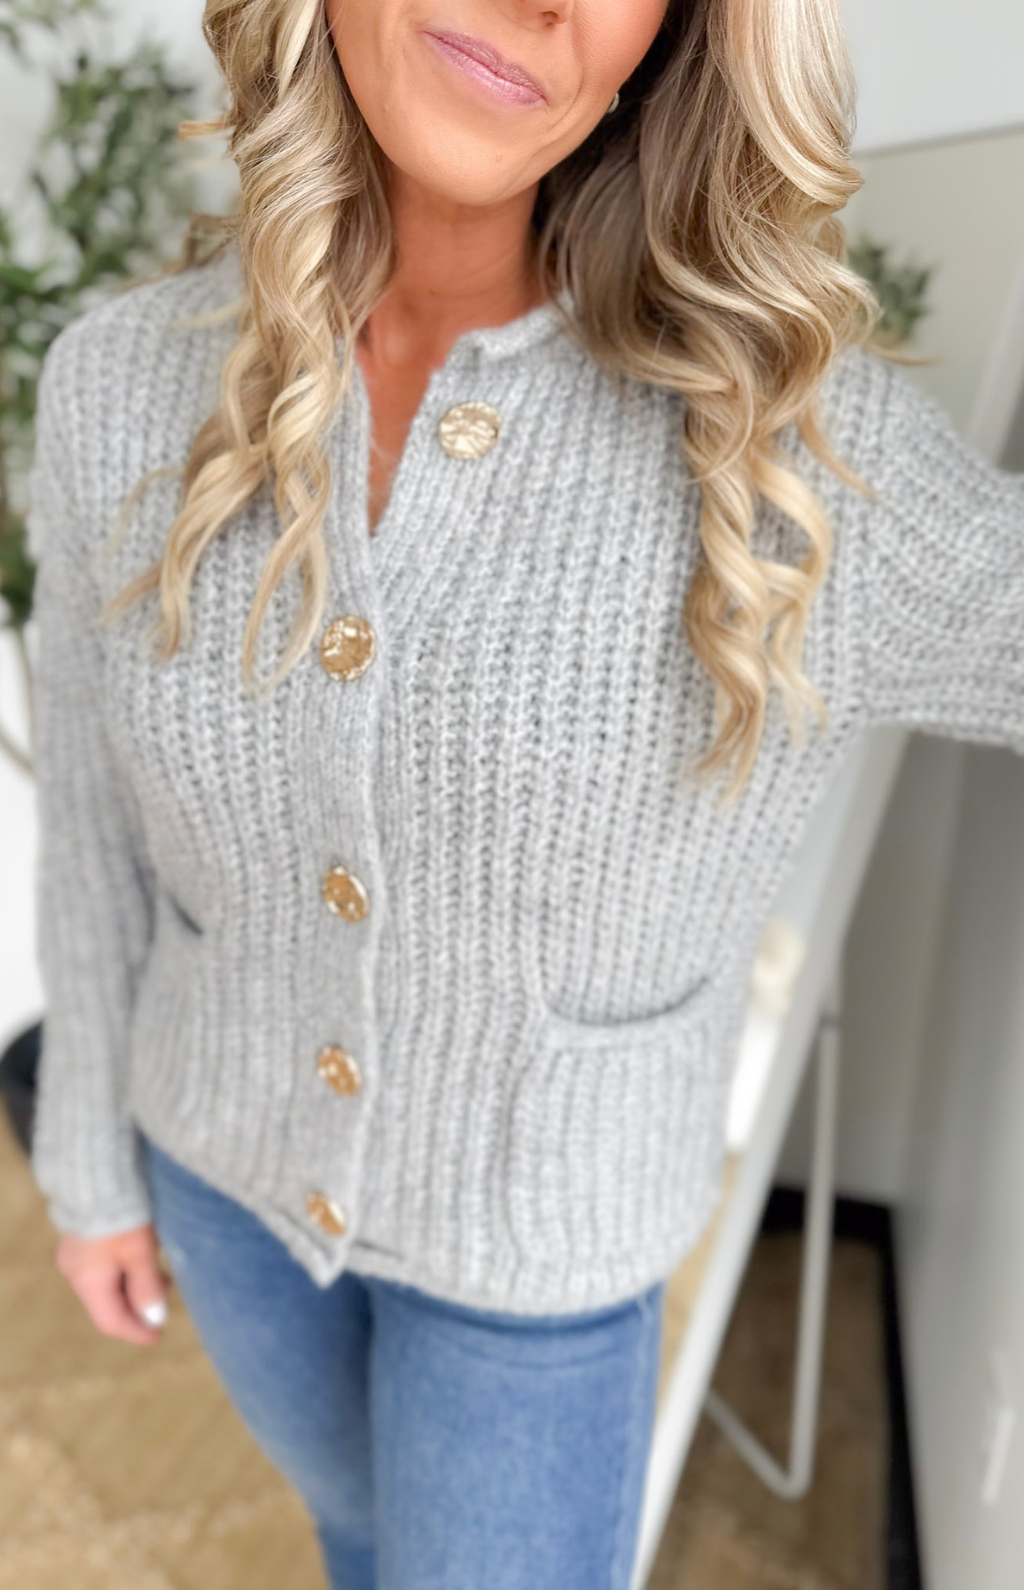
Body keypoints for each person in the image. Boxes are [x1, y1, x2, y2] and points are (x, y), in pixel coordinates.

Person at [24, 1, 1024, 1586]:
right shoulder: (120, 388)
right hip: (223, 1176)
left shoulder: (790, 461)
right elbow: (84, 819)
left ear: (665, 43)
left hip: (537, 1272)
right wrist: (88, 1170)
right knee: (358, 1541)